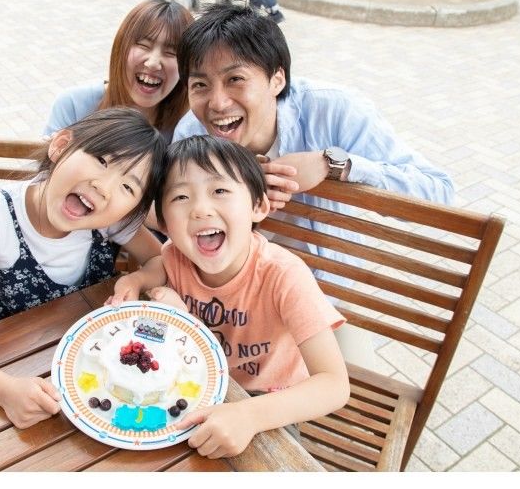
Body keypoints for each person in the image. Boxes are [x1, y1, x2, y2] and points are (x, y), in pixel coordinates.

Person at [172, 3, 455, 367]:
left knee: (348, 406)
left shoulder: (335, 111)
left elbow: (438, 190)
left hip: (326, 299)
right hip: (234, 302)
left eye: (235, 79)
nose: (218, 102)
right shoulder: (192, 134)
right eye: (200, 85)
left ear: (277, 78)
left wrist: (332, 164)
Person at [0, 108, 167, 430]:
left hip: (85, 373)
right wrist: (4, 390)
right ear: (61, 144)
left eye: (128, 187)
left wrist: (137, 278)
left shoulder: (112, 221)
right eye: (103, 161)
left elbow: (159, 259)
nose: (105, 187)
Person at [108, 135, 350, 458]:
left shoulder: (284, 276)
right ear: (164, 223)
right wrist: (139, 278)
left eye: (219, 190)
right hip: (193, 383)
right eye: (180, 196)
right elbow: (160, 264)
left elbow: (334, 384)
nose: (200, 209)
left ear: (258, 205)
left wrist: (250, 415)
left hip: (264, 402)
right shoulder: (176, 255)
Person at [44, 0, 194, 144]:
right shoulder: (73, 105)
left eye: (171, 52)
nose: (153, 63)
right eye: (143, 45)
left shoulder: (189, 128)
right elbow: (45, 168)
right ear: (121, 47)